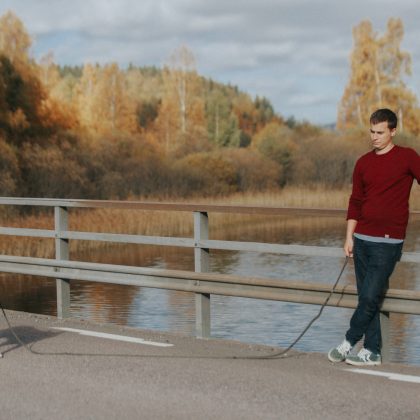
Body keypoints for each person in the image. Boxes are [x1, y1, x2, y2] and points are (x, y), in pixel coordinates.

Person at [328, 108, 420, 366]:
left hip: (389, 242)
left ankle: (348, 341)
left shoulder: (408, 157)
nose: (375, 137)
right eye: (372, 132)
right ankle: (372, 351)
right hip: (362, 239)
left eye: (380, 132)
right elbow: (355, 201)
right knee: (367, 297)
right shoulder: (363, 163)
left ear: (393, 131)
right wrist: (349, 237)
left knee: (369, 296)